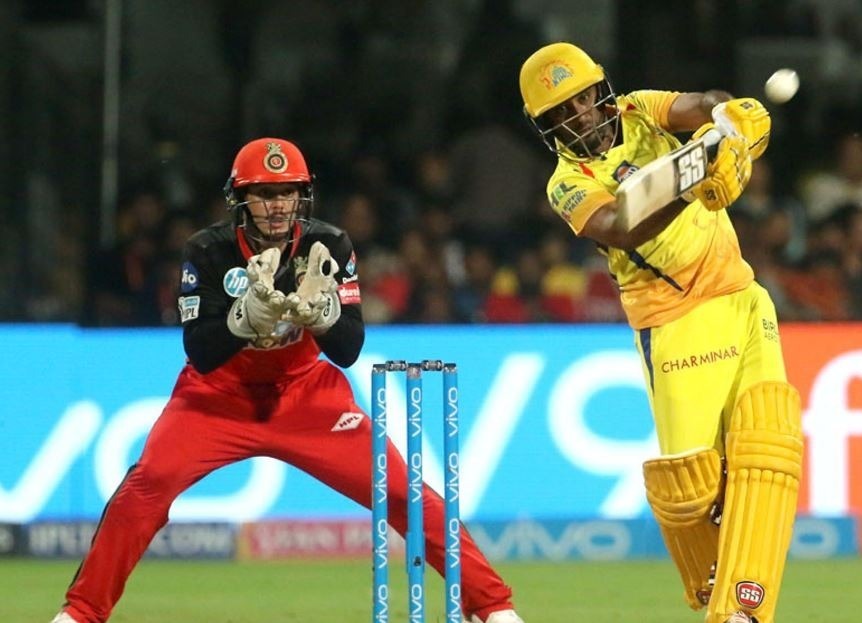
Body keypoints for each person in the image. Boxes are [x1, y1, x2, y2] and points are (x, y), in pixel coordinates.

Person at [50, 138, 523, 623]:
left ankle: (493, 607)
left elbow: (348, 349)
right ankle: (81, 613)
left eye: (287, 193)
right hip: (217, 398)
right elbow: (201, 352)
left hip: (306, 395)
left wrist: (323, 319)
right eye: (264, 194)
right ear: (240, 199)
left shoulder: (330, 245)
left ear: (302, 196)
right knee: (146, 487)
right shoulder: (207, 250)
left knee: (402, 493)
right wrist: (243, 320)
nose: (277, 206)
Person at [519, 43, 804, 623]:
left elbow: (701, 104)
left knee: (767, 445)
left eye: (583, 100)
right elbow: (619, 226)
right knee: (691, 488)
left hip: (741, 295)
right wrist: (694, 181)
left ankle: (742, 611)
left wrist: (728, 121)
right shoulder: (566, 182)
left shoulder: (637, 109)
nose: (580, 117)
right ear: (546, 127)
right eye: (561, 113)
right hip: (674, 320)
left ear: (600, 92)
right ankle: (709, 579)